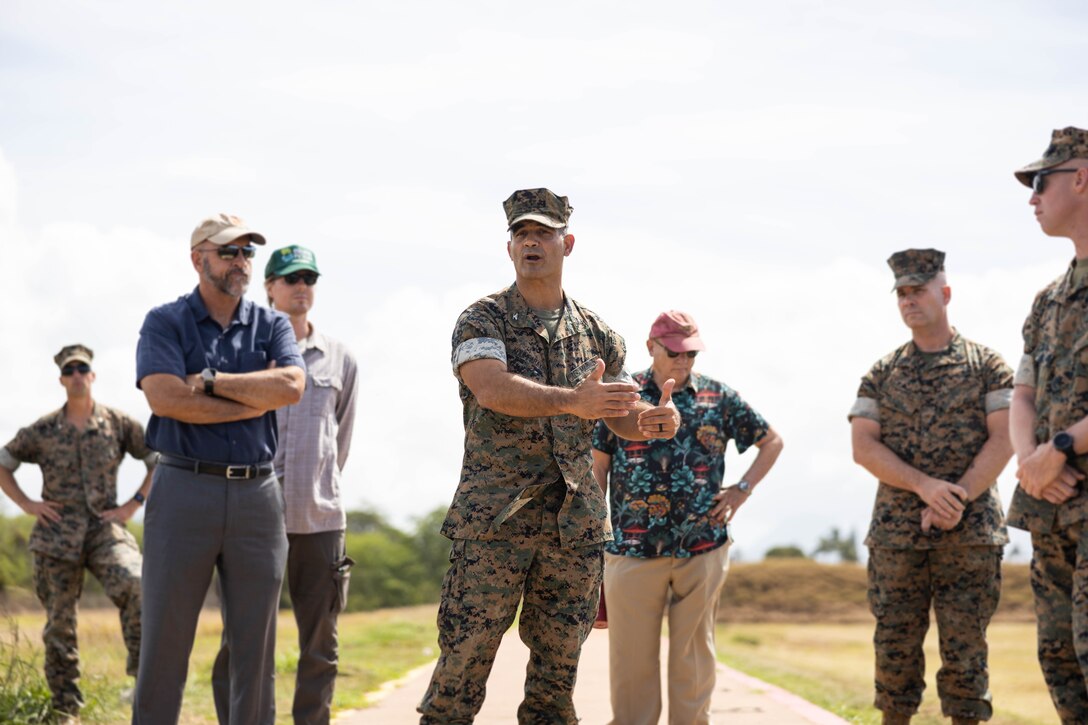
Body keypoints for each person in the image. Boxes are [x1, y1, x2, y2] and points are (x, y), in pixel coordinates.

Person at [417, 188, 681, 724]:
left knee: (556, 681)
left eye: (542, 232)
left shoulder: (599, 334)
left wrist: (652, 424)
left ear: (568, 243)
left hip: (573, 528)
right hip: (495, 520)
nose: (531, 242)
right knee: (463, 667)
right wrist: (574, 401)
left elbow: (619, 414)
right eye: (521, 233)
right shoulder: (482, 320)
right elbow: (491, 388)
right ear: (509, 246)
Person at [131, 213, 306, 724]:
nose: (241, 261)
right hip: (184, 487)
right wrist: (253, 397)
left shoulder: (271, 324)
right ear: (198, 258)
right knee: (164, 643)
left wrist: (206, 381)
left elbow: (291, 387)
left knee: (255, 649)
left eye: (247, 252)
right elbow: (164, 398)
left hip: (258, 496)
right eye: (228, 251)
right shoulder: (165, 321)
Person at [592, 310, 783, 725]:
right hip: (630, 548)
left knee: (694, 661)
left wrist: (741, 491)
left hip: (703, 547)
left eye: (690, 353)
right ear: (651, 347)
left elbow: (771, 441)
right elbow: (598, 468)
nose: (683, 361)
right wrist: (595, 539)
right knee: (631, 665)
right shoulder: (621, 396)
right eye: (674, 352)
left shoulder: (719, 397)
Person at [849, 249, 1013, 725]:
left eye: (917, 290)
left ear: (944, 293)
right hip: (898, 537)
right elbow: (863, 446)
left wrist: (954, 497)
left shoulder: (987, 366)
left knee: (966, 656)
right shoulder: (881, 373)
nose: (908, 301)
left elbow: (1006, 439)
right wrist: (925, 488)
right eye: (901, 293)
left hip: (971, 534)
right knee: (894, 652)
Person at [211, 244, 359, 725]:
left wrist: (321, 485)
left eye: (309, 279)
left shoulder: (340, 359)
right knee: (244, 642)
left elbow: (341, 438)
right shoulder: (245, 354)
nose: (301, 287)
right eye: (291, 279)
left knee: (320, 645)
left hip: (320, 521)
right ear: (269, 287)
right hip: (255, 521)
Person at [0, 344, 155, 719]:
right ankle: (65, 708)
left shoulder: (117, 424)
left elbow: (157, 460)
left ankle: (145, 689)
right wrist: (27, 505)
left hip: (105, 529)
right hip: (56, 535)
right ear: (61, 379)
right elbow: (3, 463)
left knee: (138, 584)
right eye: (69, 371)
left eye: (82, 368)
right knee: (59, 625)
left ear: (93, 374)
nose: (76, 376)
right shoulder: (42, 429)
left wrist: (134, 504)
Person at [1008, 127, 1088, 723]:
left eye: (1042, 182)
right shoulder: (1048, 300)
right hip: (1051, 504)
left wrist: (1060, 447)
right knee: (1060, 663)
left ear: (1082, 178)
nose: (1032, 197)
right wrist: (1031, 463)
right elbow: (1023, 393)